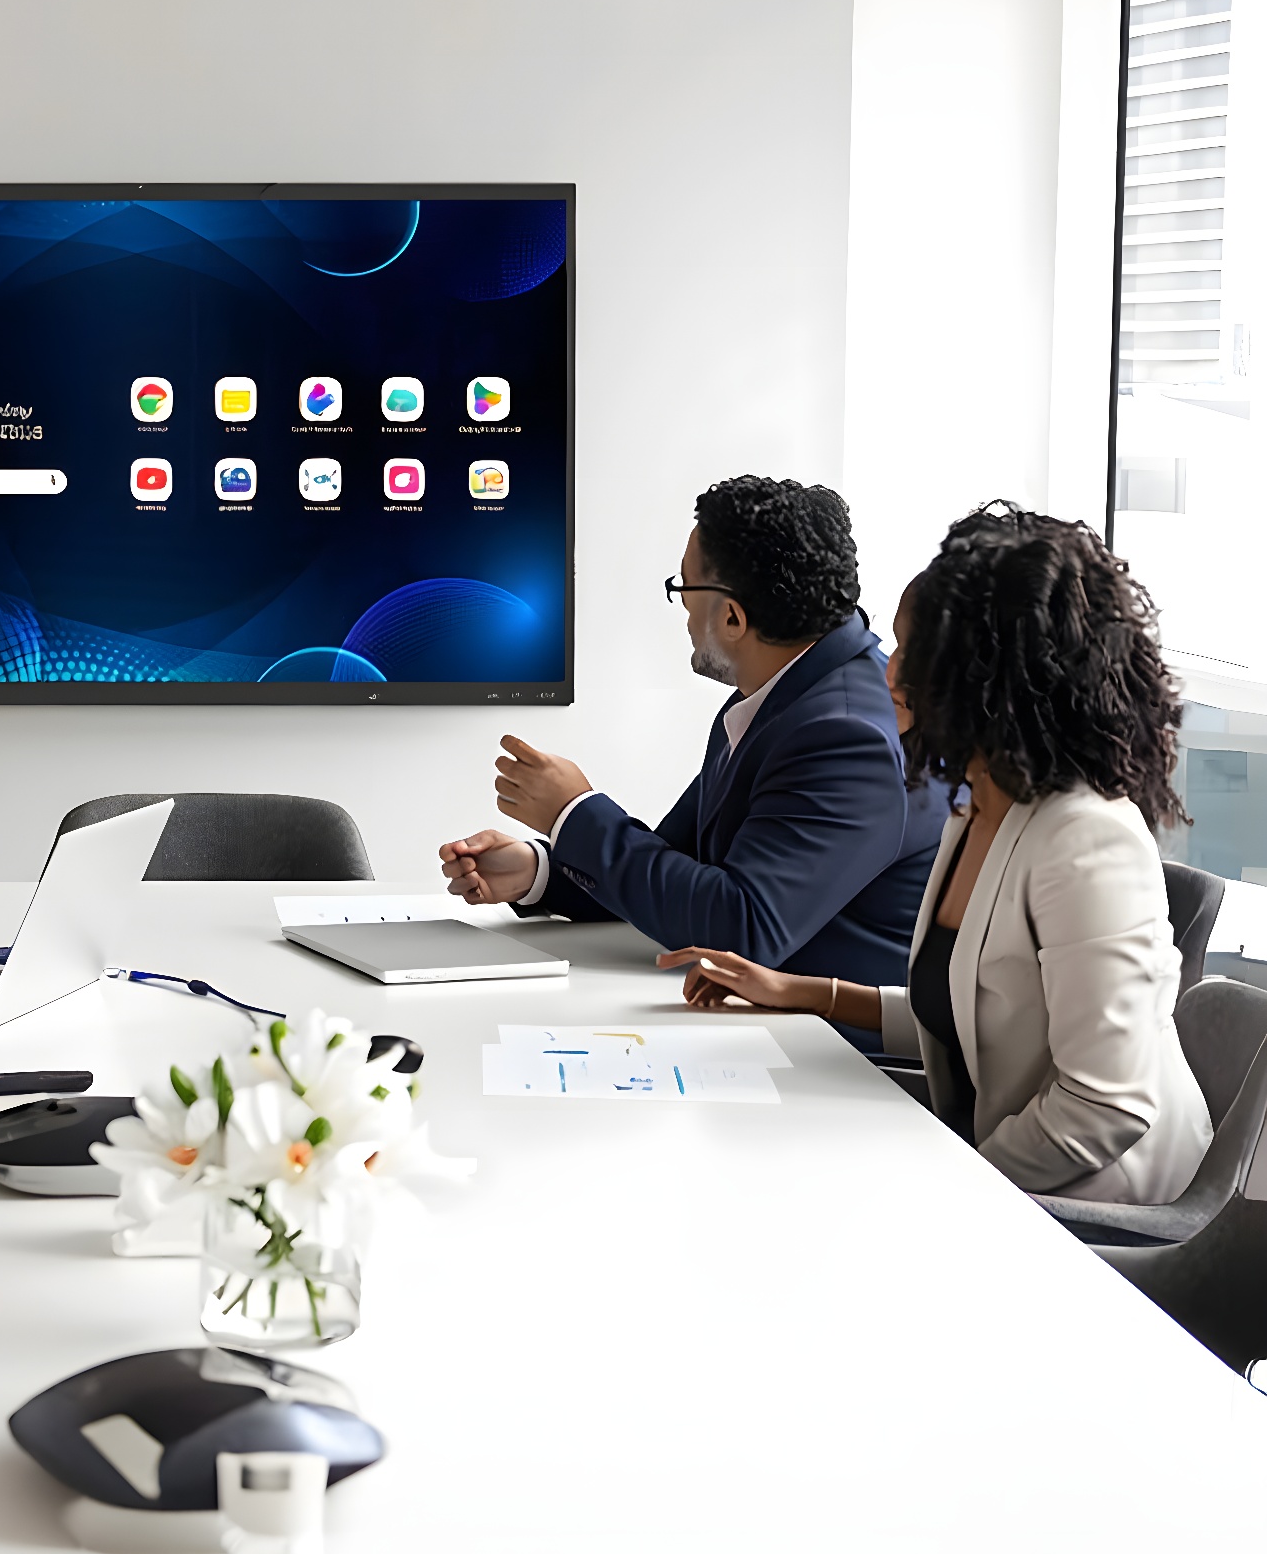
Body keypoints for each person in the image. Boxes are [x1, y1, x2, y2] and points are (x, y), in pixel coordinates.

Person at [661, 506, 1212, 1206]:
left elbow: (1106, 1109)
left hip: (1096, 1204)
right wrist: (803, 992)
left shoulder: (1086, 840)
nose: (889, 671)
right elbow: (974, 1011)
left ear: (989, 675)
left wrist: (945, 1185)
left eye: (912, 652)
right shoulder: (978, 801)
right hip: (997, 1165)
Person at [440, 475, 949, 996]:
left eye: (684, 588)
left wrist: (574, 811)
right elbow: (678, 870)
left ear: (731, 615)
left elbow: (741, 930)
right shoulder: (782, 695)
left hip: (847, 1060)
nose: (681, 608)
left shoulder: (845, 732)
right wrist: (539, 870)